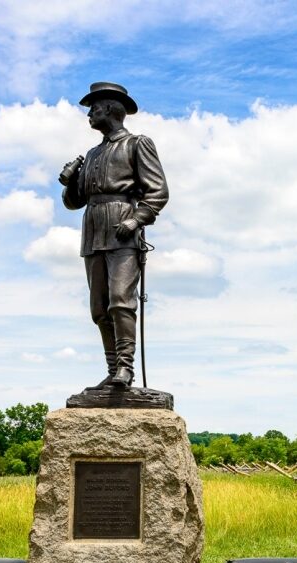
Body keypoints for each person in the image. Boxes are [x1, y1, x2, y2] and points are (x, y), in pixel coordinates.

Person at [60, 82, 169, 388]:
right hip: (93, 230)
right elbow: (74, 202)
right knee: (99, 308)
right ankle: (112, 371)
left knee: (120, 301)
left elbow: (158, 192)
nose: (89, 115)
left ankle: (125, 368)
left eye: (93, 109)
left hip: (122, 229)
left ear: (109, 109)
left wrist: (137, 220)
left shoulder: (137, 144)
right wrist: (70, 182)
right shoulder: (92, 154)